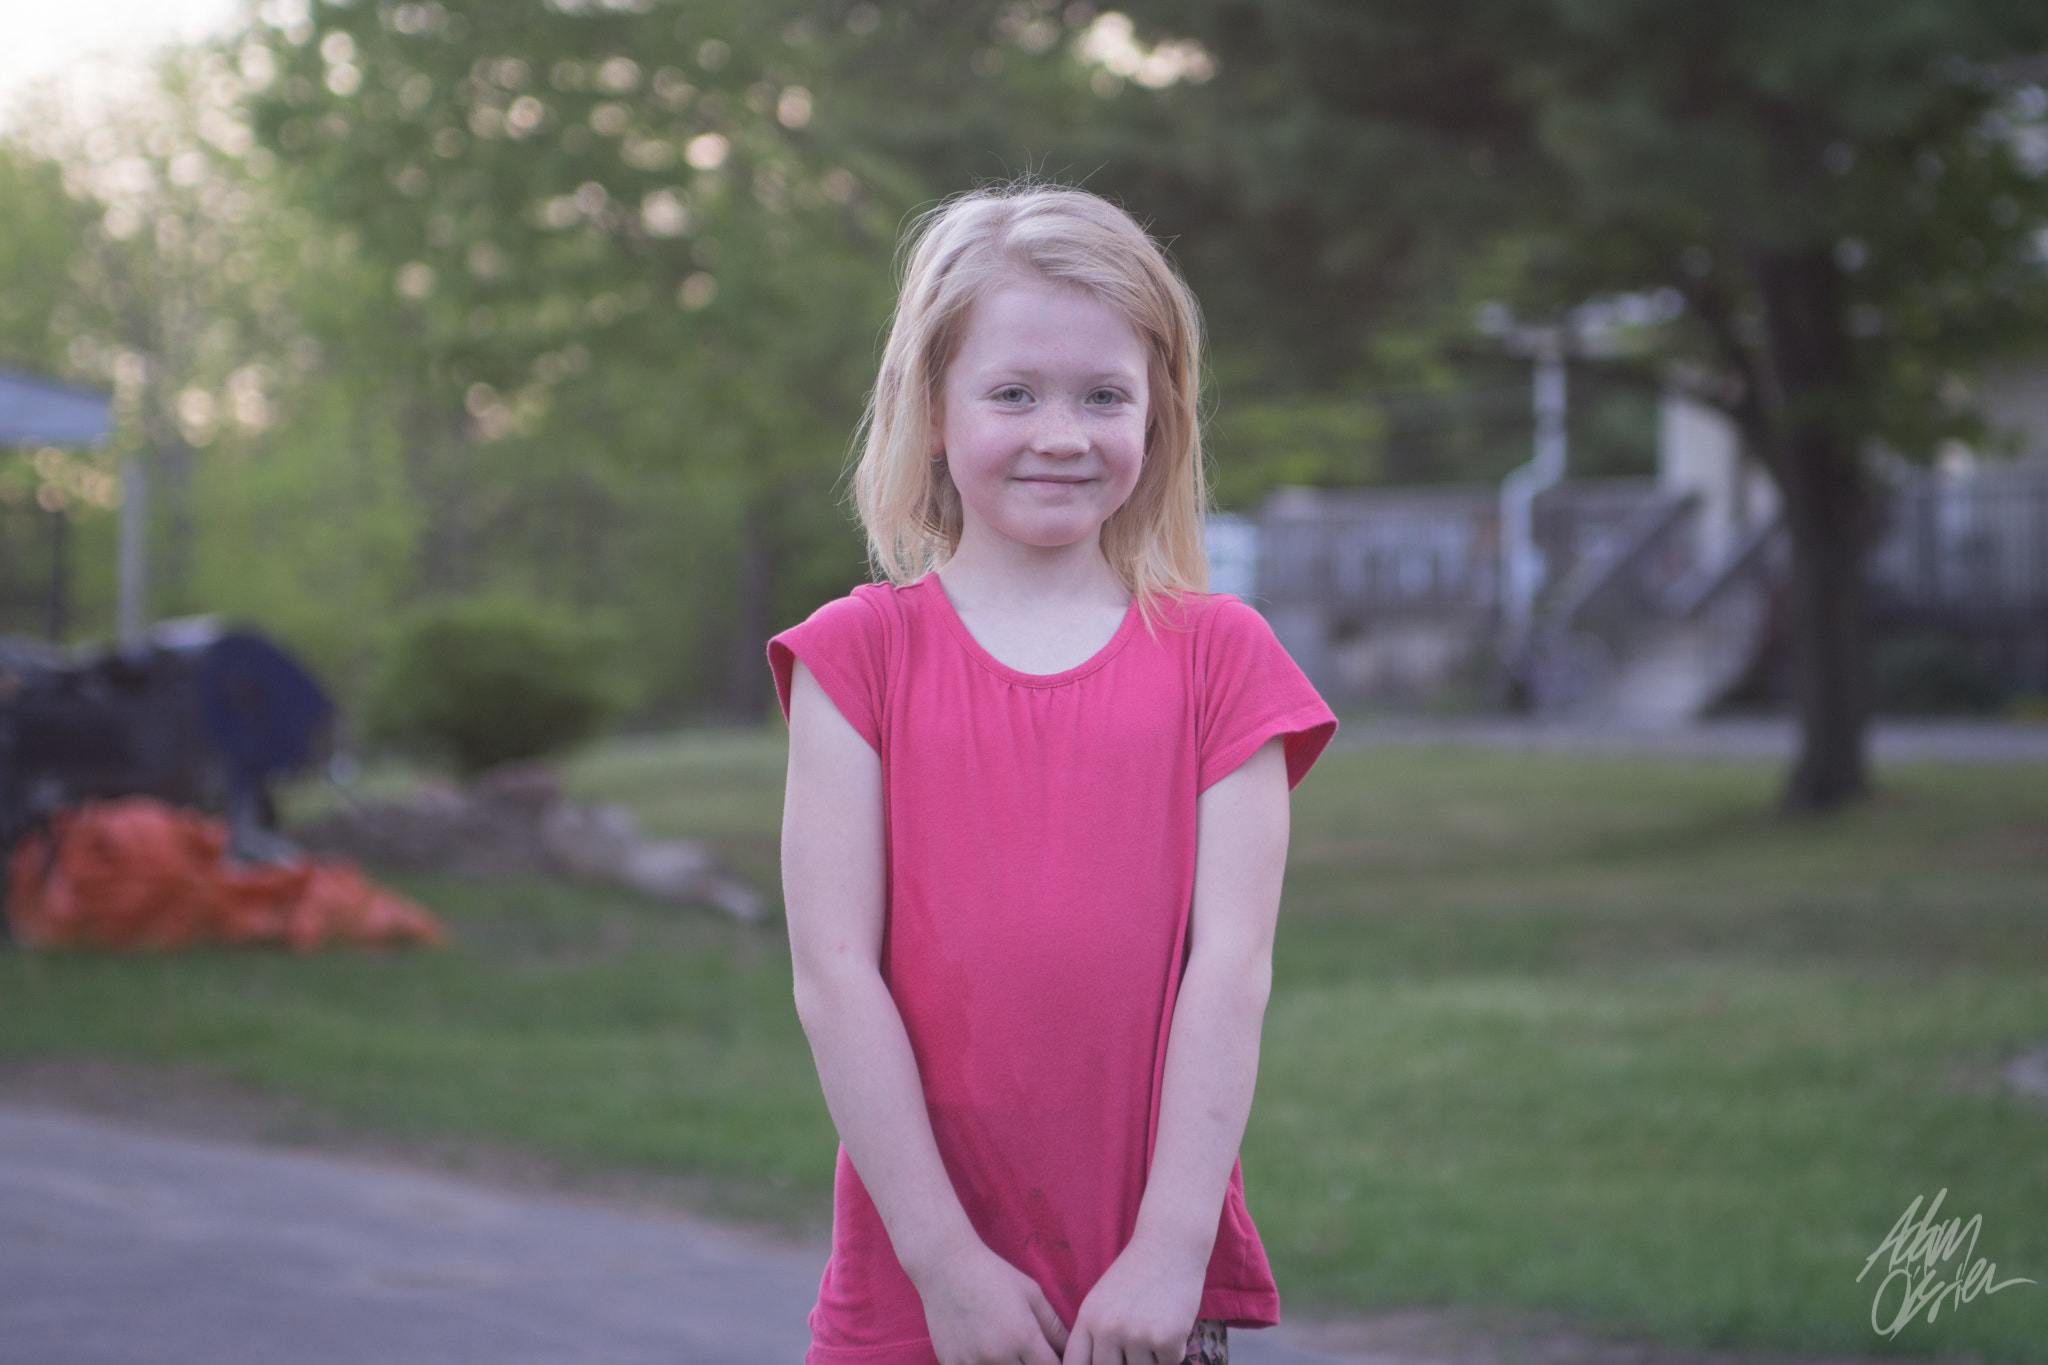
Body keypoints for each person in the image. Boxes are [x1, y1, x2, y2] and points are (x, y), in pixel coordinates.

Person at [770, 183, 1336, 1365]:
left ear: (1158, 414)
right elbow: (834, 980)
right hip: (920, 1282)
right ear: (930, 409)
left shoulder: (1222, 660)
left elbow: (1230, 969)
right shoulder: (857, 657)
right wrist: (944, 1262)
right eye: (1012, 393)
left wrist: (1172, 1249)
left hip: (1139, 1293)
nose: (1061, 434)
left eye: (1103, 396)